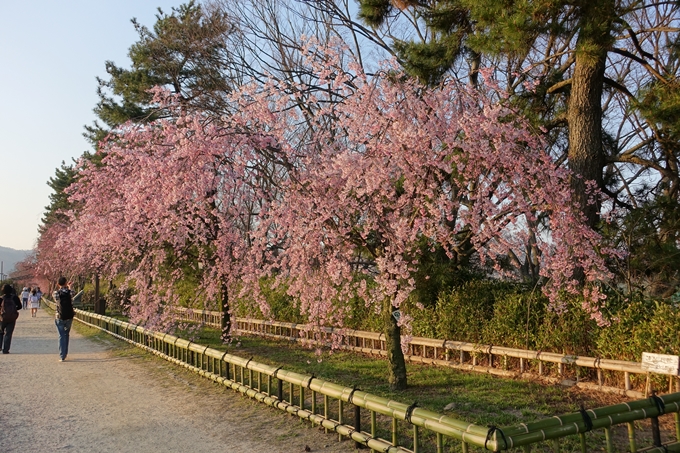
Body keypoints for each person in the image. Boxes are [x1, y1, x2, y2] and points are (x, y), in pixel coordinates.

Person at [53, 277, 75, 362]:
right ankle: (65, 353)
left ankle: (62, 356)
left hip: (59, 316)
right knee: (66, 334)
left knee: (61, 335)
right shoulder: (70, 292)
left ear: (58, 284)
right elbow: (73, 294)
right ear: (66, 283)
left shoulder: (56, 293)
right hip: (69, 316)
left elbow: (56, 301)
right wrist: (70, 287)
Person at [0, 284, 22, 354]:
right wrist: (14, 310)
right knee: (8, 334)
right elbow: (20, 306)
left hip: (2, 318)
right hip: (12, 318)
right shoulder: (15, 298)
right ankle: (6, 349)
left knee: (0, 332)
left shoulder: (1, 298)